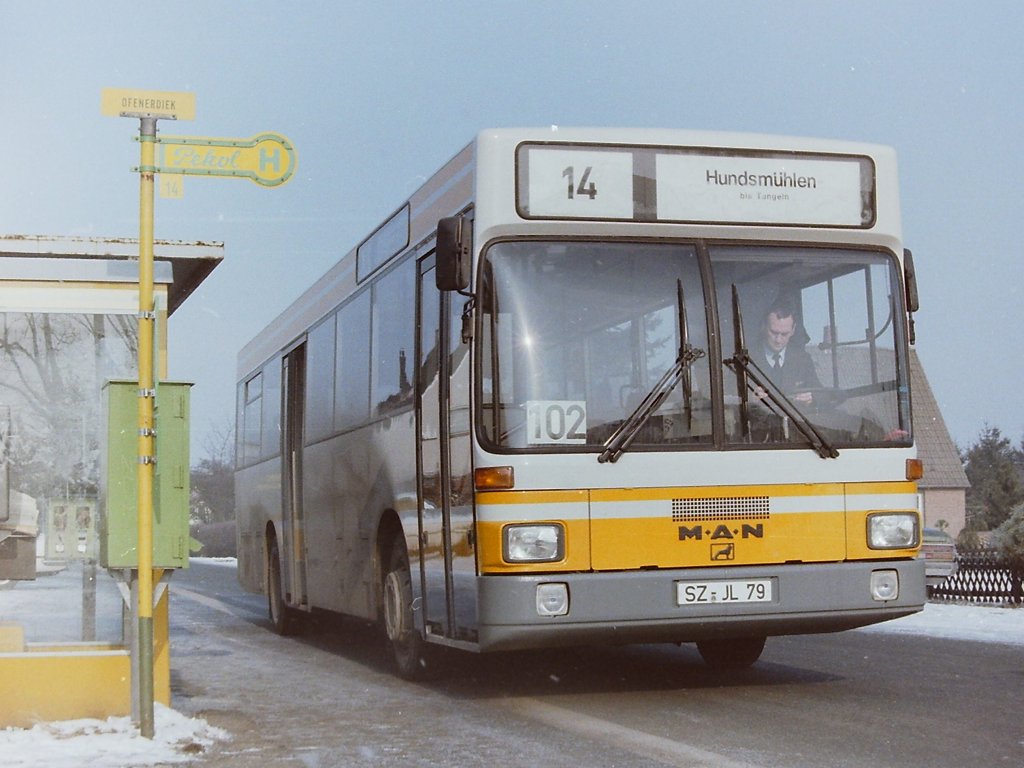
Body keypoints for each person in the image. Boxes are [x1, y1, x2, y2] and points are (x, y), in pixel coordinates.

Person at [758, 299, 821, 405]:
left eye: (784, 334)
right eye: (773, 332)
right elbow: (729, 392)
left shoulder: (803, 359)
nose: (778, 340)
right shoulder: (746, 358)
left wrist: (811, 398)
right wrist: (750, 396)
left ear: (793, 330)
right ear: (764, 326)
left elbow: (821, 393)